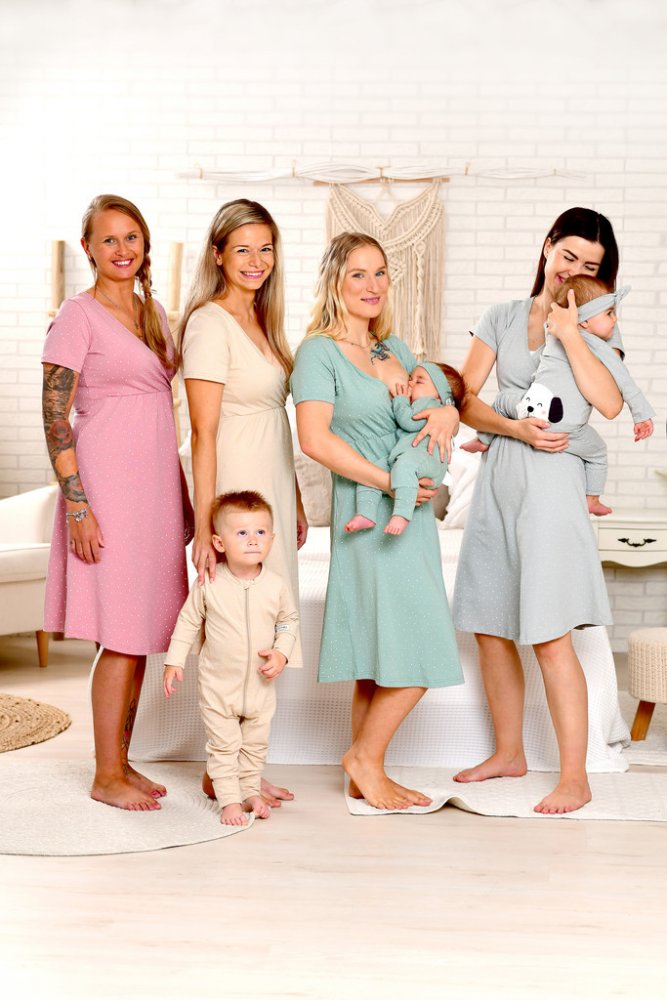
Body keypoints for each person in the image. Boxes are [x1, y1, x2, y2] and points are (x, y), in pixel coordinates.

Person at [451, 206, 630, 815]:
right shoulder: (502, 316)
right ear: (547, 247)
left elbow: (609, 403)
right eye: (568, 255)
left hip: (553, 490)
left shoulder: (598, 323)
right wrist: (513, 429)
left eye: (590, 265)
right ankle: (509, 753)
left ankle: (575, 777)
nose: (573, 270)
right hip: (500, 482)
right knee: (490, 625)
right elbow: (463, 397)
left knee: (551, 636)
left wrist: (571, 334)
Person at [291, 232, 463, 811]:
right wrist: (389, 482)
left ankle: (365, 769)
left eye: (380, 273)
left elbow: (428, 403)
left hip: (411, 517)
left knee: (380, 650)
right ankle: (364, 760)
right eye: (358, 274)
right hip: (367, 512)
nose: (372, 286)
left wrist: (448, 411)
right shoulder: (318, 353)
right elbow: (314, 440)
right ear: (334, 281)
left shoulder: (394, 348)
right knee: (414, 643)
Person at [41, 194, 193, 811]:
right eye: (109, 239)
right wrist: (78, 506)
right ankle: (105, 775)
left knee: (142, 632)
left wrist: (182, 497)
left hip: (154, 485)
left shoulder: (153, 311)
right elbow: (55, 417)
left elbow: (164, 406)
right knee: (121, 636)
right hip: (107, 486)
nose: (122, 249)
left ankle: (121, 763)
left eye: (131, 237)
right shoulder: (76, 315)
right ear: (89, 248)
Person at [179, 198, 307, 807]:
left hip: (270, 486)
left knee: (264, 633)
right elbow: (203, 434)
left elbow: (279, 422)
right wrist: (207, 526)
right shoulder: (210, 323)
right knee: (232, 639)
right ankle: (221, 772)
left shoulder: (262, 319)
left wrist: (295, 500)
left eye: (265, 249)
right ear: (217, 255)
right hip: (234, 488)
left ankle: (244, 772)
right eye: (242, 249)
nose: (256, 261)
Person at [462, 276, 654, 516]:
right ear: (584, 321)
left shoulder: (552, 333)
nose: (615, 320)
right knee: (597, 453)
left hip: (533, 409)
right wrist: (641, 415)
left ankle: (483, 439)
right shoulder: (598, 348)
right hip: (567, 430)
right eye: (609, 313)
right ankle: (592, 499)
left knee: (502, 400)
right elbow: (625, 382)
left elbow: (609, 405)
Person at [163, 491, 299, 826]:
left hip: (260, 687)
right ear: (219, 543)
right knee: (224, 747)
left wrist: (282, 651)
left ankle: (250, 792)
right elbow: (188, 621)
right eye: (242, 533)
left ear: (272, 539)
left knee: (254, 745)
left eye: (260, 532)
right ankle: (229, 802)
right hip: (218, 686)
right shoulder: (209, 583)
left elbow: (288, 621)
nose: (253, 540)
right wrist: (174, 661)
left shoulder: (276, 585)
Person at [345, 361, 465, 536]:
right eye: (410, 378)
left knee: (404, 467)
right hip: (411, 457)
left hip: (426, 457)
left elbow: (409, 421)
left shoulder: (430, 404)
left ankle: (402, 515)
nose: (410, 383)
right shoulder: (431, 404)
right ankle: (365, 514)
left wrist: (400, 400)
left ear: (440, 396)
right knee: (371, 472)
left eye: (419, 381)